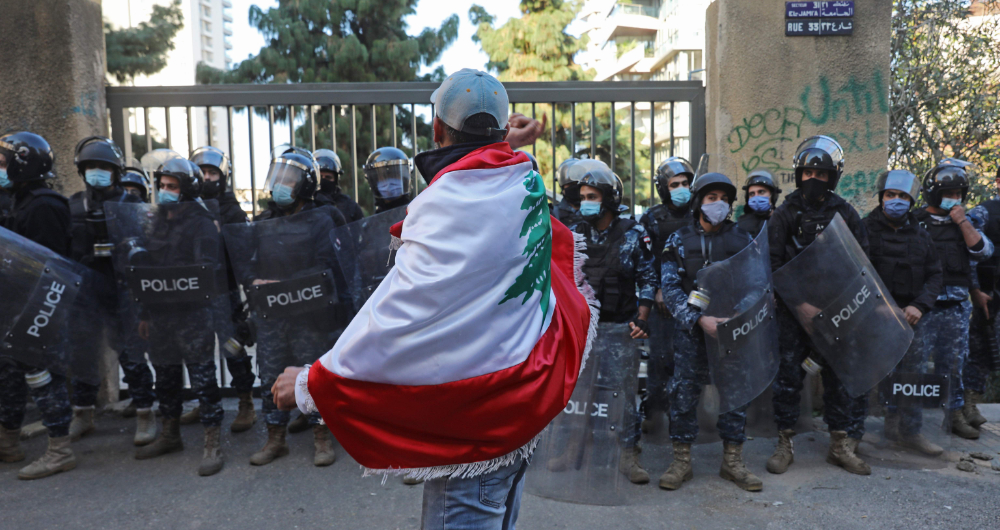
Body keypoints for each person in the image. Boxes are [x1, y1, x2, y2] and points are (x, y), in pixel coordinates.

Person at [271, 68, 593, 530]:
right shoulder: (523, 183)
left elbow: (397, 318)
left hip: (473, 428)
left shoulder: (445, 204)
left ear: (437, 129)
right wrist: (512, 144)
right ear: (502, 134)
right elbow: (494, 171)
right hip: (521, 409)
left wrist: (310, 383)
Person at [767, 135, 873, 475]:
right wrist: (800, 307)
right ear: (799, 175)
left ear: (833, 177)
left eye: (822, 174)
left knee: (838, 377)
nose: (814, 180)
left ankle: (839, 443)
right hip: (793, 314)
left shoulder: (845, 213)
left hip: (837, 313)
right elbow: (770, 267)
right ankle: (784, 442)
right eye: (808, 173)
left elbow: (861, 265)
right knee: (788, 379)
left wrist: (834, 309)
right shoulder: (784, 214)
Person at [658, 172, 762, 491]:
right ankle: (681, 462)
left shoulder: (742, 239)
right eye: (710, 198)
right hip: (692, 333)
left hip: (732, 331)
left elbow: (757, 283)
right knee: (684, 394)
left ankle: (732, 462)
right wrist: (696, 319)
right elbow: (670, 285)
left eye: (723, 198)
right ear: (699, 203)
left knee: (734, 393)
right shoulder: (679, 240)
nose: (718, 204)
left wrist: (734, 316)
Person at [248, 147, 346, 468]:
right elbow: (250, 262)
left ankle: (321, 435)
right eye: (277, 177)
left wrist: (283, 284)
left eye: (288, 179)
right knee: (272, 372)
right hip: (273, 313)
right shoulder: (264, 221)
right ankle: (275, 437)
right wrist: (255, 280)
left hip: (309, 311)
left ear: (304, 184)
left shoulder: (320, 219)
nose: (280, 184)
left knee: (310, 372)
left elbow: (326, 266)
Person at [131, 157, 228, 476]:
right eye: (161, 186)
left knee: (203, 379)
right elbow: (146, 270)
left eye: (171, 187)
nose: (164, 192)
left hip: (192, 315)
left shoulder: (201, 223)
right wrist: (145, 312)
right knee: (166, 377)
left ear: (185, 190)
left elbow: (209, 270)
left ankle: (212, 442)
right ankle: (170, 435)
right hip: (161, 315)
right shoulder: (155, 221)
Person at [569, 159, 656, 485]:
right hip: (584, 328)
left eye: (592, 196)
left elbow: (648, 277)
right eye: (583, 197)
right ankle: (574, 448)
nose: (585, 203)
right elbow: (564, 278)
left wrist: (642, 317)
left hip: (621, 328)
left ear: (608, 199)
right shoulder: (575, 233)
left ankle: (628, 453)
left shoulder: (633, 234)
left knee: (621, 393)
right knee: (579, 392)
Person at [66, 136, 156, 446]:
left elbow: (147, 252)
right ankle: (83, 414)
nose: (97, 172)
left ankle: (145, 412)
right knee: (82, 355)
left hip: (122, 293)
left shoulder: (131, 205)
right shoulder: (73, 205)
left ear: (116, 171)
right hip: (85, 293)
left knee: (131, 355)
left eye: (103, 167)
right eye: (90, 167)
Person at [0, 131, 78, 480]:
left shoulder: (45, 205)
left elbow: (48, 265)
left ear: (22, 165)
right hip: (13, 306)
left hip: (40, 309)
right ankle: (8, 442)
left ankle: (60, 450)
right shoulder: (15, 199)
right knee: (9, 377)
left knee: (43, 377)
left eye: (2, 163)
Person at [864, 170, 944, 455]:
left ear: (911, 201)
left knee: (912, 376)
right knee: (869, 375)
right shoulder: (864, 230)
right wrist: (880, 307)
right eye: (890, 195)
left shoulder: (922, 236)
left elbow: (935, 275)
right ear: (881, 197)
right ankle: (853, 433)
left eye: (902, 196)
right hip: (874, 317)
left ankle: (909, 432)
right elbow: (855, 272)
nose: (895, 201)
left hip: (911, 319)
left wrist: (919, 306)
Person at [179, 146, 257, 435]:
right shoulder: (187, 207)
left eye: (213, 173)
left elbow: (242, 252)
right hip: (194, 293)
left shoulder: (232, 211)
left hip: (223, 291)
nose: (208, 178)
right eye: (203, 173)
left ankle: (246, 401)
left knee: (231, 348)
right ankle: (205, 399)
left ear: (223, 177)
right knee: (198, 350)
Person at [913, 159, 993, 440]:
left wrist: (960, 221)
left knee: (954, 365)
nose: (955, 199)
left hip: (957, 307)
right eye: (950, 194)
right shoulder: (916, 221)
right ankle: (909, 420)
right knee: (916, 366)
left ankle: (955, 414)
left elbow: (983, 252)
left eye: (959, 194)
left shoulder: (966, 222)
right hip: (924, 307)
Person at [638, 156, 696, 433]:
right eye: (675, 184)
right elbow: (646, 261)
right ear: (664, 188)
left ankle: (687, 419)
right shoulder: (651, 218)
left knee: (694, 362)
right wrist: (659, 288)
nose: (682, 188)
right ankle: (655, 417)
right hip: (663, 305)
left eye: (685, 183)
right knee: (661, 359)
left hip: (695, 299)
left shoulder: (700, 213)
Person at [965, 165, 1000, 432]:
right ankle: (968, 405)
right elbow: (966, 250)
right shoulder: (985, 212)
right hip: (990, 297)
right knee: (980, 353)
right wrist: (975, 290)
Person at [313, 148, 364, 222]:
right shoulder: (305, 205)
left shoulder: (350, 207)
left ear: (336, 179)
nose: (323, 180)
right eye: (319, 177)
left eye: (328, 177)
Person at [365, 147, 413, 215]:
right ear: (374, 181)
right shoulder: (373, 222)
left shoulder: (415, 214)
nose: (389, 182)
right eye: (383, 177)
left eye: (394, 175)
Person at [737, 169, 782, 238]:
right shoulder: (741, 224)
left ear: (772, 195)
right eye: (752, 194)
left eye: (761, 192)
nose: (756, 196)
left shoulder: (782, 221)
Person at [552, 158, 582, 226]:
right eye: (571, 185)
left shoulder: (593, 211)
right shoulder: (554, 214)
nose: (575, 187)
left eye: (578, 183)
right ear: (563, 188)